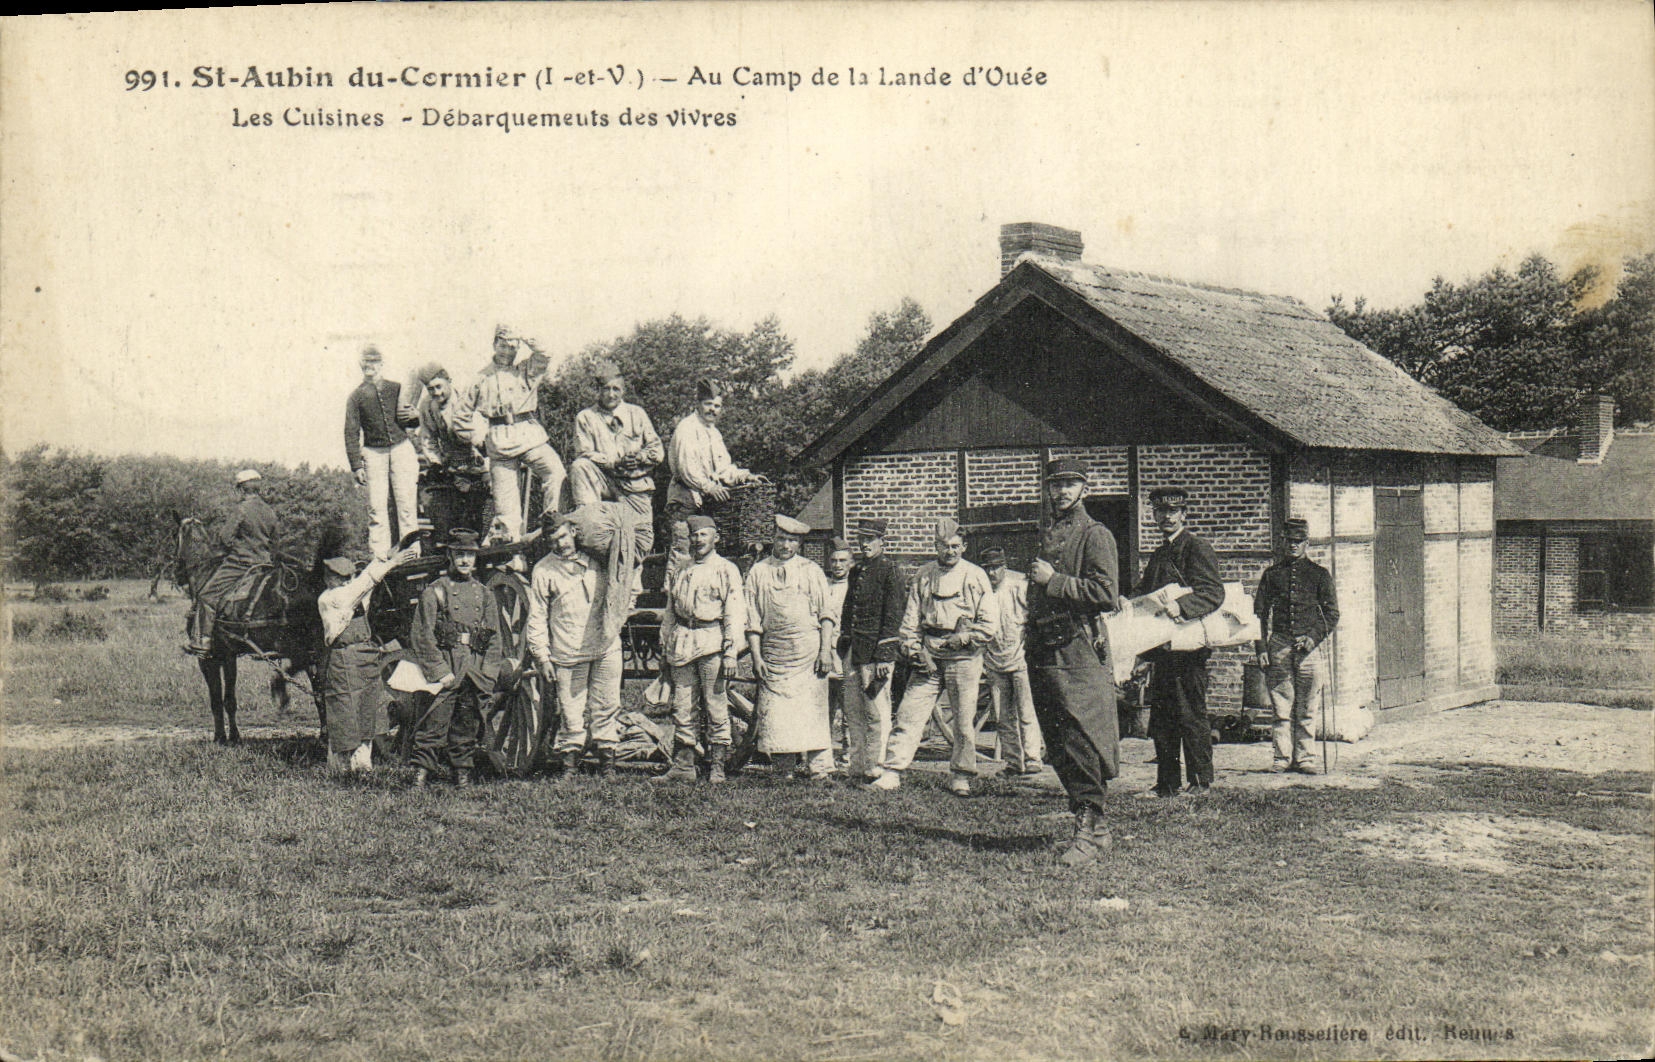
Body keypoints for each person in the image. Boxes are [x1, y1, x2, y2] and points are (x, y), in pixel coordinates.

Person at [1026, 458, 1121, 867]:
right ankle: (1089, 827)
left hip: (1077, 648)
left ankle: (1091, 828)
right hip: (1045, 644)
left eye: (1070, 485)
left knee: (1082, 734)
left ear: (1085, 488)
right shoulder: (1048, 532)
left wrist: (1054, 582)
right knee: (1059, 736)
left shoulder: (1095, 534)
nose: (1062, 492)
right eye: (1056, 485)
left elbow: (1107, 593)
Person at [872, 517, 997, 796]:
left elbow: (989, 624)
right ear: (935, 546)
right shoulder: (924, 575)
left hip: (963, 657)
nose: (949, 551)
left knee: (964, 720)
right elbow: (910, 619)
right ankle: (892, 770)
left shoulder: (975, 575)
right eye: (943, 546)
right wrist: (914, 650)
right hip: (929, 654)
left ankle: (961, 775)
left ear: (963, 546)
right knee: (908, 714)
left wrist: (963, 638)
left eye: (955, 546)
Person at [1135, 485, 1226, 797]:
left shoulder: (1196, 547)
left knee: (1191, 715)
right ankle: (1167, 784)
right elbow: (1146, 592)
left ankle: (1201, 782)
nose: (1166, 517)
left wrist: (1182, 607)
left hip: (1189, 650)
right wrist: (1128, 601)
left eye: (1173, 512)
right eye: (1161, 512)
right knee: (1163, 719)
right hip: (1164, 650)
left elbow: (1213, 592)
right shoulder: (1160, 553)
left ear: (1184, 514)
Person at [526, 510, 625, 780]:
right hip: (568, 651)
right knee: (571, 710)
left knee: (607, 705)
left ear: (573, 531)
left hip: (605, 646)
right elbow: (536, 618)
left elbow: (625, 582)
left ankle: (608, 766)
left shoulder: (597, 561)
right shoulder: (544, 570)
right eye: (553, 540)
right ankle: (569, 766)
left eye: (563, 536)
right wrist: (543, 658)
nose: (561, 544)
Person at [409, 530, 505, 788]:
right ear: (450, 556)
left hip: (473, 667)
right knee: (434, 719)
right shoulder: (435, 591)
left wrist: (488, 672)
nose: (465, 561)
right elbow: (422, 634)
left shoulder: (484, 594)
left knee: (468, 722)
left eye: (470, 556)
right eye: (459, 554)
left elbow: (494, 638)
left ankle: (462, 772)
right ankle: (420, 773)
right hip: (448, 663)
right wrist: (440, 670)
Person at [745, 515, 838, 781]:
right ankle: (783, 768)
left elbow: (827, 614)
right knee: (778, 712)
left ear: (799, 543)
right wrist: (756, 656)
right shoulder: (759, 571)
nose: (786, 545)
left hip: (807, 652)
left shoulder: (811, 570)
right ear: (773, 538)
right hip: (774, 652)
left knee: (812, 708)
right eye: (782, 539)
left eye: (792, 540)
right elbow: (751, 618)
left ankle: (820, 769)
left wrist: (825, 650)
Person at [453, 324, 567, 541]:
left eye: (512, 347)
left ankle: (551, 527)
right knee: (507, 512)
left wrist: (522, 334)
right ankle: (512, 558)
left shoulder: (526, 370)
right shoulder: (480, 378)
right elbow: (459, 417)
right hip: (499, 441)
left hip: (529, 435)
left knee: (555, 472)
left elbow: (545, 353)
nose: (507, 352)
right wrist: (478, 441)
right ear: (494, 345)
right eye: (503, 346)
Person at [655, 514, 745, 784]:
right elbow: (671, 610)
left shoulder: (726, 569)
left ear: (715, 537)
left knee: (716, 704)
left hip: (711, 642)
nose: (697, 540)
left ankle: (717, 766)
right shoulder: (681, 568)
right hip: (683, 641)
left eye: (703, 535)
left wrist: (730, 652)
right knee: (683, 705)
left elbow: (734, 612)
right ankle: (684, 766)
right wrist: (665, 644)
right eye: (694, 536)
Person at [316, 545, 419, 773]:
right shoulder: (330, 598)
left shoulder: (354, 594)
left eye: (348, 577)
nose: (344, 582)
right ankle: (341, 769)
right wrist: (393, 563)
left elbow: (365, 584)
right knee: (345, 710)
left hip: (365, 655)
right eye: (338, 578)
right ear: (327, 579)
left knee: (366, 709)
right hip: (345, 659)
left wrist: (384, 556)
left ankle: (363, 767)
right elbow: (363, 585)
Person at [1254, 517, 1339, 775]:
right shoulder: (1271, 575)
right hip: (1279, 646)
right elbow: (1258, 615)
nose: (1293, 546)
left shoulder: (1319, 575)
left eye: (1298, 541)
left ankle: (1305, 758)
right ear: (1282, 542)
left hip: (1309, 651)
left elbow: (1332, 614)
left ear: (1306, 543)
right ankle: (1282, 757)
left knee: (1307, 707)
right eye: (1288, 541)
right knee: (1281, 707)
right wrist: (1261, 649)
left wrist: (1312, 637)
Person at [839, 519, 908, 782]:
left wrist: (885, 655)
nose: (864, 544)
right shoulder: (857, 572)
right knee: (853, 710)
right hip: (854, 652)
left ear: (882, 542)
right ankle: (857, 765)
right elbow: (849, 610)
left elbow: (893, 615)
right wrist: (844, 641)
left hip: (875, 656)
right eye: (861, 540)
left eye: (870, 540)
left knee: (876, 710)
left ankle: (877, 765)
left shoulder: (890, 571)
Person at [568, 360, 664, 547]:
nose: (611, 394)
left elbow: (657, 450)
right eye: (605, 389)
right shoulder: (586, 417)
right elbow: (584, 453)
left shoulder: (637, 414)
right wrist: (614, 462)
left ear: (623, 390)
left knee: (640, 542)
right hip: (604, 479)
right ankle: (589, 519)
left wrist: (639, 458)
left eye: (616, 389)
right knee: (580, 466)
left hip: (634, 485)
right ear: (598, 390)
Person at [187, 468, 280, 654]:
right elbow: (275, 540)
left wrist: (235, 546)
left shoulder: (241, 509)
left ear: (241, 489)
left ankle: (203, 640)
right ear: (257, 488)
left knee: (206, 596)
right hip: (264, 565)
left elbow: (224, 537)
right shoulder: (269, 511)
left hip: (241, 563)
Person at [665, 378, 752, 576]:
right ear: (698, 404)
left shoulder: (714, 434)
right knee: (683, 550)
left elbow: (723, 468)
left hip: (705, 502)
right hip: (685, 498)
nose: (713, 409)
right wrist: (709, 487)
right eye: (708, 404)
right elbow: (687, 470)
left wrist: (744, 476)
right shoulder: (687, 428)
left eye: (717, 406)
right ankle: (674, 599)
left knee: (706, 553)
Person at [345, 345, 420, 561]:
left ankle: (411, 552)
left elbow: (410, 420)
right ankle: (379, 556)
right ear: (361, 365)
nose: (370, 366)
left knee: (406, 502)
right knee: (376, 508)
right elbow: (351, 432)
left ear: (381, 364)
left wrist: (415, 415)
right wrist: (356, 466)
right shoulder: (356, 397)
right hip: (373, 452)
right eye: (366, 362)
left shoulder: (396, 388)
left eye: (374, 362)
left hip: (400, 447)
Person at [980, 545, 1043, 776]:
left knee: (1026, 711)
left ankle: (1033, 758)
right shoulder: (982, 592)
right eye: (988, 569)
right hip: (994, 660)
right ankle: (1013, 762)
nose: (992, 573)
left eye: (996, 568)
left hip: (1019, 658)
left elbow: (1032, 618)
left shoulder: (1017, 587)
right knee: (1003, 715)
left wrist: (1028, 644)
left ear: (1004, 568)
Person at [823, 538, 854, 762]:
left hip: (846, 653)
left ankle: (848, 754)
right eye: (834, 561)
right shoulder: (823, 587)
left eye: (842, 561)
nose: (837, 565)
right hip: (825, 653)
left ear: (850, 563)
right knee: (824, 707)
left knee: (849, 707)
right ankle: (822, 753)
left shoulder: (854, 588)